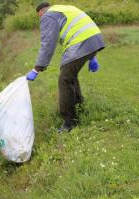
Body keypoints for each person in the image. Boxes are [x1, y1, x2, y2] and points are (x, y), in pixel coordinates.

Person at [26, 2, 105, 133]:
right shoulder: (64, 8)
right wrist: (92, 55)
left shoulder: (47, 16)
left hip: (81, 42)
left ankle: (69, 123)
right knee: (70, 76)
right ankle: (79, 108)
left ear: (40, 13)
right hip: (95, 38)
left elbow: (48, 44)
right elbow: (81, 26)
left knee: (64, 80)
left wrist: (36, 68)